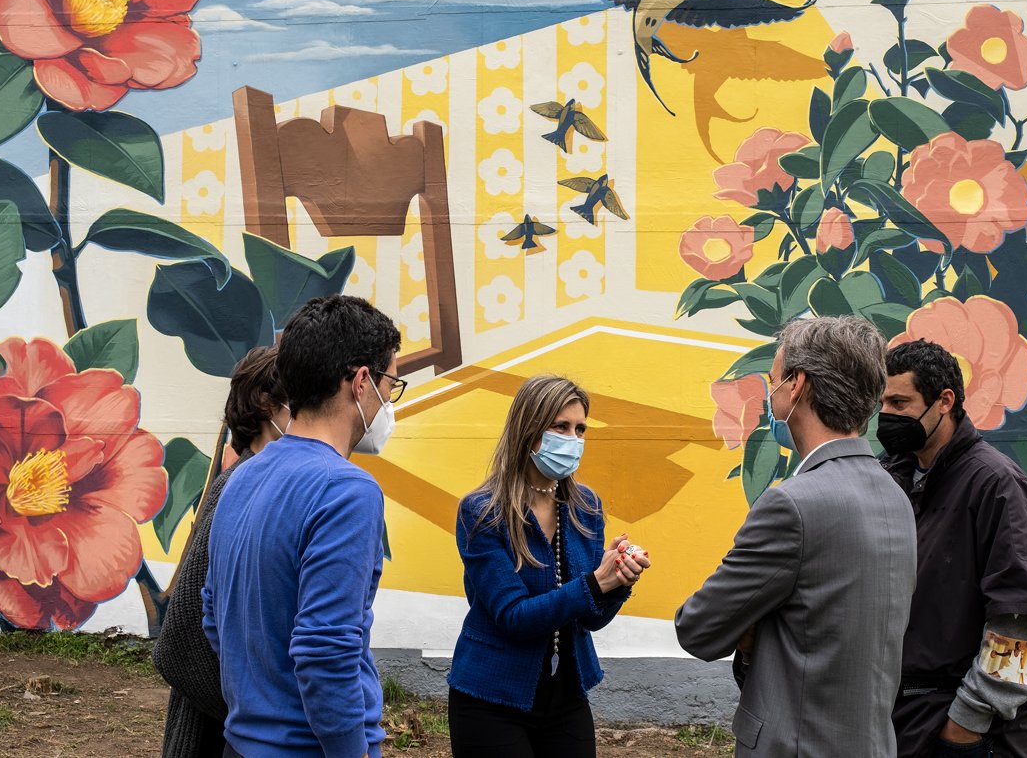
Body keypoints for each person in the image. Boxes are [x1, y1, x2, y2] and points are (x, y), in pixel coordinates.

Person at [675, 316, 917, 758]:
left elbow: (698, 628)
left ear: (797, 385)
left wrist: (755, 626)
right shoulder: (895, 496)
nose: (770, 394)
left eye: (773, 381)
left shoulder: (792, 504)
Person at [202, 295, 403, 758]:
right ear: (361, 382)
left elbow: (213, 613)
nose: (388, 402)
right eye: (390, 383)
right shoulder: (347, 491)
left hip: (242, 744)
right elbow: (325, 653)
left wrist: (261, 695)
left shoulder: (240, 477)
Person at [447, 374, 649, 758]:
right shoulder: (482, 513)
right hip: (491, 698)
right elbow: (514, 616)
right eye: (561, 427)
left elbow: (590, 619)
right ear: (528, 429)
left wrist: (618, 580)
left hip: (567, 698)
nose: (573, 439)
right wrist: (596, 583)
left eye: (580, 429)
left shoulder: (585, 507)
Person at [879, 339, 1027, 758]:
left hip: (967, 733)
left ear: (945, 401)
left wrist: (966, 724)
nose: (886, 415)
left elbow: (1022, 624)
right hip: (901, 720)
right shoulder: (890, 477)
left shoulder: (998, 486)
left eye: (900, 403)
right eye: (882, 403)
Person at [154, 345, 289, 757]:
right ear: (266, 404)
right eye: (299, 397)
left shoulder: (258, 479)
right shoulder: (238, 485)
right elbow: (181, 635)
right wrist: (250, 708)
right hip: (219, 725)